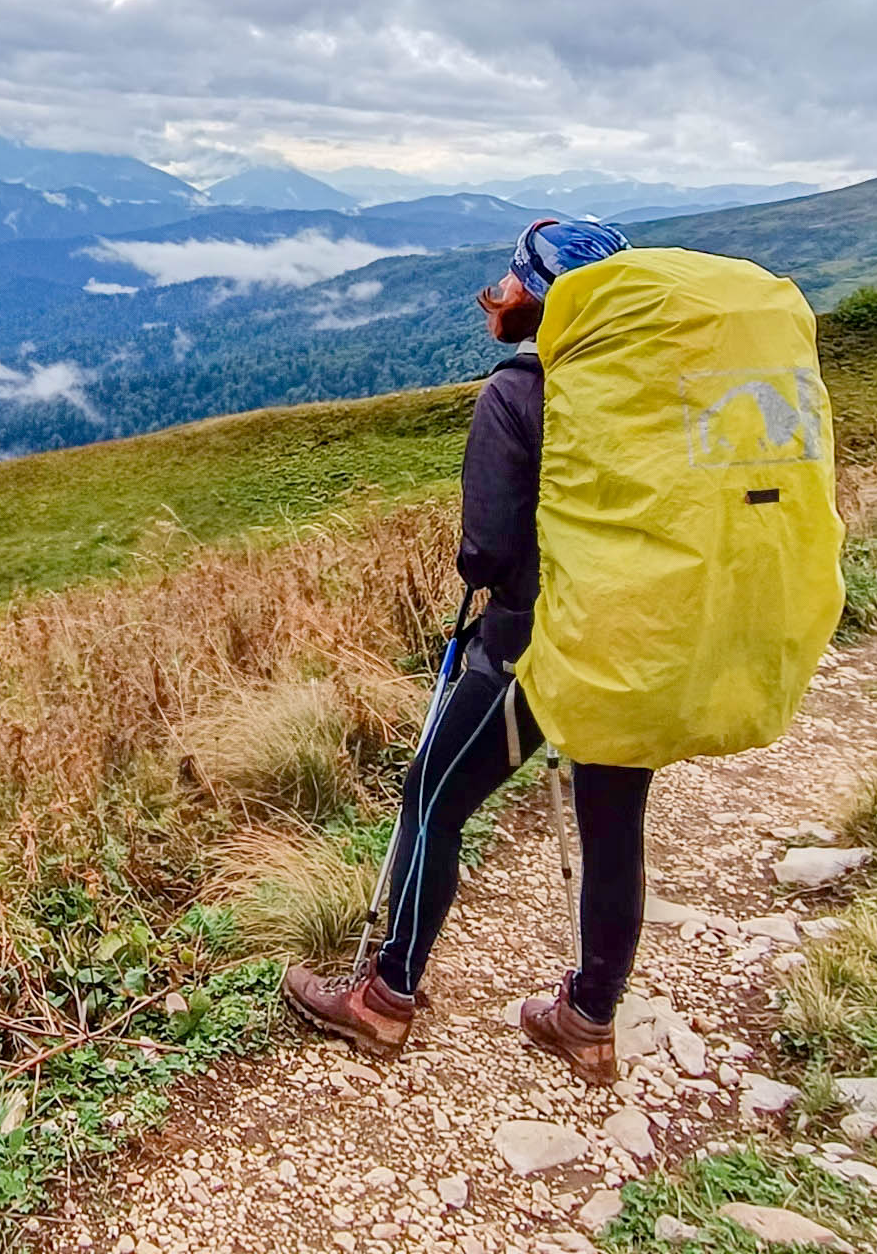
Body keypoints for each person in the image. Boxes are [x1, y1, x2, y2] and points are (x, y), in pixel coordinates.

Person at [280, 217, 653, 1085]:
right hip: (633, 640)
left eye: (514, 275)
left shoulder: (517, 393)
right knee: (614, 825)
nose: (501, 285)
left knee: (432, 799)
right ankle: (591, 1020)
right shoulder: (640, 391)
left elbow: (483, 551)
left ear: (536, 296)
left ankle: (385, 998)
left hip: (531, 643)